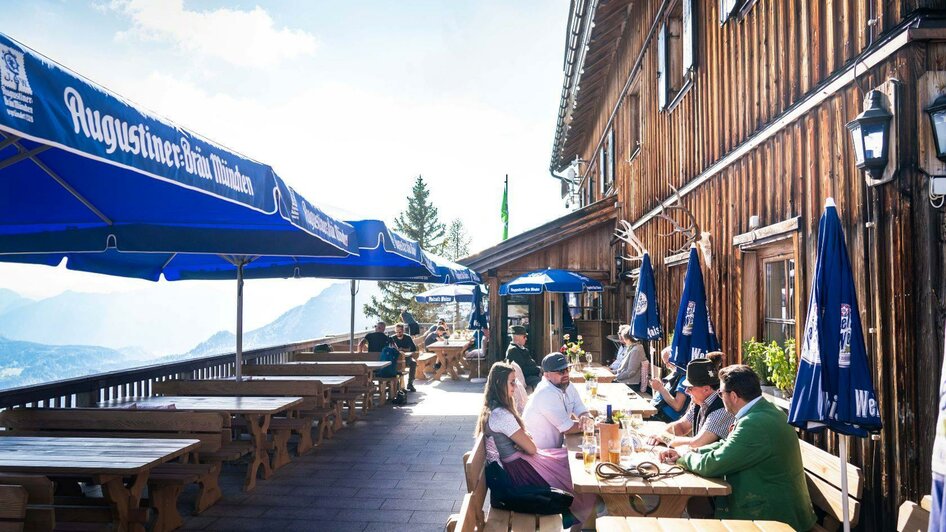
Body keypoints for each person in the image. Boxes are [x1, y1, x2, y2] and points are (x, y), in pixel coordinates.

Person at [658, 365, 817, 531]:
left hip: (772, 518)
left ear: (733, 396)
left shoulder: (754, 423)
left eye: (720, 393)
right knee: (697, 505)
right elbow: (727, 445)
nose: (719, 397)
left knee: (694, 509)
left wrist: (684, 457)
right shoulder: (764, 411)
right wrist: (691, 451)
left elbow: (714, 464)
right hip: (774, 508)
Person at [475, 362, 595, 527]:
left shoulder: (493, 410)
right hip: (518, 472)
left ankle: (581, 520)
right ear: (499, 384)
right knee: (571, 469)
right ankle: (587, 519)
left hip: (517, 465)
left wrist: (522, 441)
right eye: (511, 383)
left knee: (569, 458)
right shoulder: (501, 415)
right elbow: (531, 448)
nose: (515, 388)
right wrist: (524, 441)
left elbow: (524, 442)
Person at [648, 352, 733, 450]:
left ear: (706, 389)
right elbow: (682, 426)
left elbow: (696, 443)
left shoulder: (721, 408)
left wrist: (665, 438)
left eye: (690, 388)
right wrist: (661, 434)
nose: (686, 391)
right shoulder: (701, 401)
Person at [522, 353, 592, 450]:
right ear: (546, 375)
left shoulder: (567, 384)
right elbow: (568, 428)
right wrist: (591, 425)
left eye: (567, 370)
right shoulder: (545, 393)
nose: (565, 374)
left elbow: (580, 408)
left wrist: (586, 417)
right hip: (540, 453)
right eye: (560, 372)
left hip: (555, 449)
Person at [650, 345, 689, 422]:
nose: (667, 366)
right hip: (656, 412)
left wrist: (660, 388)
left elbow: (677, 406)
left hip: (664, 418)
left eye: (668, 362)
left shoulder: (684, 377)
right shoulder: (675, 373)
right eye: (665, 363)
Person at [613, 325, 645, 391]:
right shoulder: (631, 347)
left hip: (631, 383)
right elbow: (622, 367)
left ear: (628, 339)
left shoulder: (636, 350)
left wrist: (616, 377)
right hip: (625, 381)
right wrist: (612, 372)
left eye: (624, 339)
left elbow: (631, 372)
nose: (624, 341)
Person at [390, 323, 419, 392]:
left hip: (406, 358)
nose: (398, 333)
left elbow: (412, 349)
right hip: (395, 359)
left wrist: (402, 349)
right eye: (396, 331)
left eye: (399, 331)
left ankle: (410, 383)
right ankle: (396, 385)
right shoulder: (392, 338)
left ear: (403, 331)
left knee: (413, 363)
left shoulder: (407, 337)